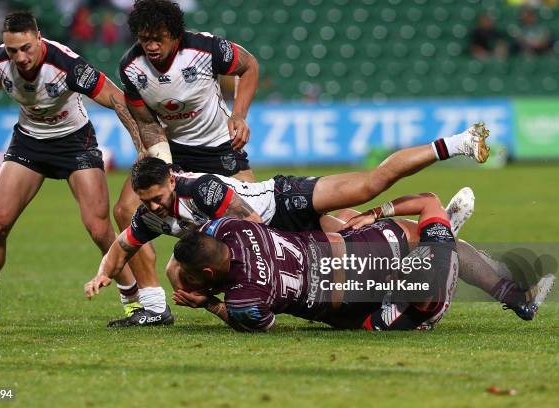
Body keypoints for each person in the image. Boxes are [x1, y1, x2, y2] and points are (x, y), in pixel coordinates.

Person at [83, 123, 496, 326]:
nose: (154, 205)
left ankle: (456, 144)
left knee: (371, 186)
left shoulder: (202, 190)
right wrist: (103, 274)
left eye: (157, 195)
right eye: (147, 201)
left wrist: (240, 286)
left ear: (171, 179)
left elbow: (247, 226)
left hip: (283, 204)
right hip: (279, 238)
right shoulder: (151, 214)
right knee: (360, 246)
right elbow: (123, 244)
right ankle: (438, 237)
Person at [0, 11, 152, 328]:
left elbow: (115, 98)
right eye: (13, 50)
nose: (20, 57)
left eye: (26, 48)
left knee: (99, 229)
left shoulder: (67, 65)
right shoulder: (2, 60)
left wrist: (141, 144)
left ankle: (133, 302)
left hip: (75, 143)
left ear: (38, 38)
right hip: (29, 142)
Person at [169, 193, 554, 331]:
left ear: (208, 274)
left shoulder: (244, 300)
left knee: (430, 272)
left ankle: (442, 245)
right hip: (351, 249)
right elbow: (213, 231)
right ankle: (453, 246)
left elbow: (255, 324)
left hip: (354, 302)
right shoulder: (234, 227)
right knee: (406, 232)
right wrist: (375, 214)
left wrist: (208, 303)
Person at [104, 0, 260, 324]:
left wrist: (239, 115)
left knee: (258, 224)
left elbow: (250, 66)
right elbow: (145, 120)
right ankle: (154, 306)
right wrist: (160, 158)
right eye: (145, 39)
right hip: (173, 150)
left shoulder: (205, 48)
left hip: (221, 148)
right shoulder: (131, 67)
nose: (152, 46)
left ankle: (266, 292)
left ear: (175, 33)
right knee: (125, 210)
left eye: (158, 37)